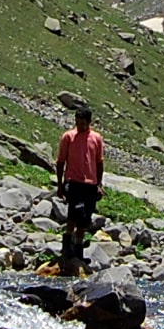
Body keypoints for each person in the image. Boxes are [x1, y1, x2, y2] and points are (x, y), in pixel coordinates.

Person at [54, 105, 104, 276]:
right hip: (73, 181)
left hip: (90, 183)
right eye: (78, 123)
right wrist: (60, 184)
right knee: (74, 213)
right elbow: (60, 161)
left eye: (83, 124)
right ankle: (67, 246)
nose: (80, 126)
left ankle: (79, 250)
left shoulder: (96, 138)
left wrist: (99, 184)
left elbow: (99, 162)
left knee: (85, 218)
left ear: (89, 123)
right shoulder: (68, 137)